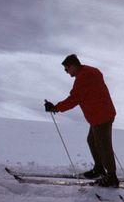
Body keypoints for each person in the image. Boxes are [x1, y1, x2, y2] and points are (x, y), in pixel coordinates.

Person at [44, 54, 118, 187]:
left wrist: (55, 108)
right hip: (99, 116)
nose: (66, 72)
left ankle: (112, 177)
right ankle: (100, 168)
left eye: (67, 69)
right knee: (93, 141)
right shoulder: (91, 71)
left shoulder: (84, 77)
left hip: (101, 116)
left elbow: (74, 99)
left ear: (73, 66)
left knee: (104, 146)